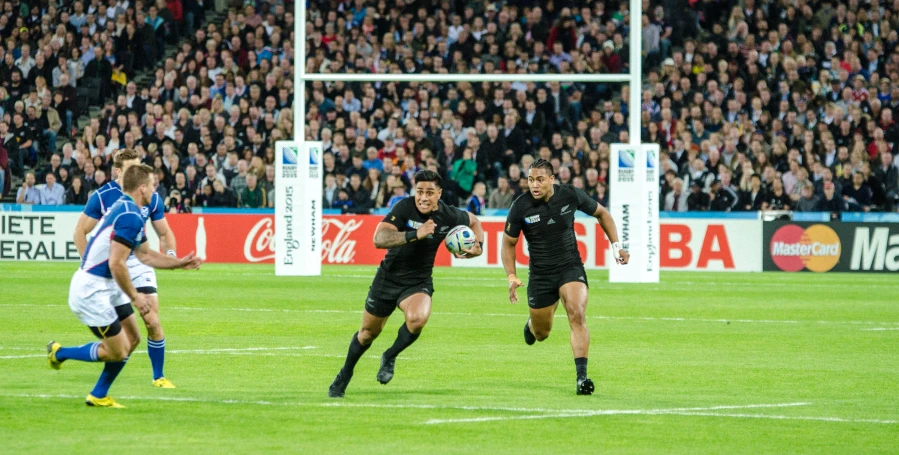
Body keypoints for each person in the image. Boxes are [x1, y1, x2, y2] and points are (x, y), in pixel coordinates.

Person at [47, 164, 202, 408]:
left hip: (105, 285)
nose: (154, 188)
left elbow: (145, 256)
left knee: (134, 338)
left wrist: (177, 263)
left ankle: (98, 395)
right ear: (142, 187)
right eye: (152, 184)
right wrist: (135, 296)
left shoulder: (132, 211)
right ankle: (60, 353)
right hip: (92, 289)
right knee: (118, 350)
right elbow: (117, 263)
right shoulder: (129, 215)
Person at [329, 170, 485, 398]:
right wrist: (415, 234)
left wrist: (477, 247)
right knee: (367, 334)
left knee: (417, 319)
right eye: (419, 191)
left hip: (418, 281)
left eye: (429, 193)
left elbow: (474, 221)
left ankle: (390, 355)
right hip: (388, 279)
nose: (423, 197)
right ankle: (345, 374)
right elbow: (379, 239)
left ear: (439, 194)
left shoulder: (449, 215)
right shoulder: (404, 208)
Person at [502, 159, 629, 395]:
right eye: (530, 180)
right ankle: (532, 325)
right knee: (542, 333)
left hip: (570, 266)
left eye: (539, 179)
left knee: (577, 314)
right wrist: (511, 276)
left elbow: (602, 214)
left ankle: (582, 379)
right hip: (540, 274)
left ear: (552, 179)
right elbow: (509, 243)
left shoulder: (569, 194)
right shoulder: (520, 206)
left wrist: (617, 246)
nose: (534, 185)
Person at [72, 149, 179, 388]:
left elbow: (164, 232)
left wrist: (172, 256)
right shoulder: (103, 196)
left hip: (138, 260)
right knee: (125, 338)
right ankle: (100, 383)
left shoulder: (150, 197)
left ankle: (158, 377)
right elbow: (80, 232)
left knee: (152, 319)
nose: (138, 174)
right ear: (119, 172)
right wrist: (88, 265)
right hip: (113, 263)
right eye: (132, 169)